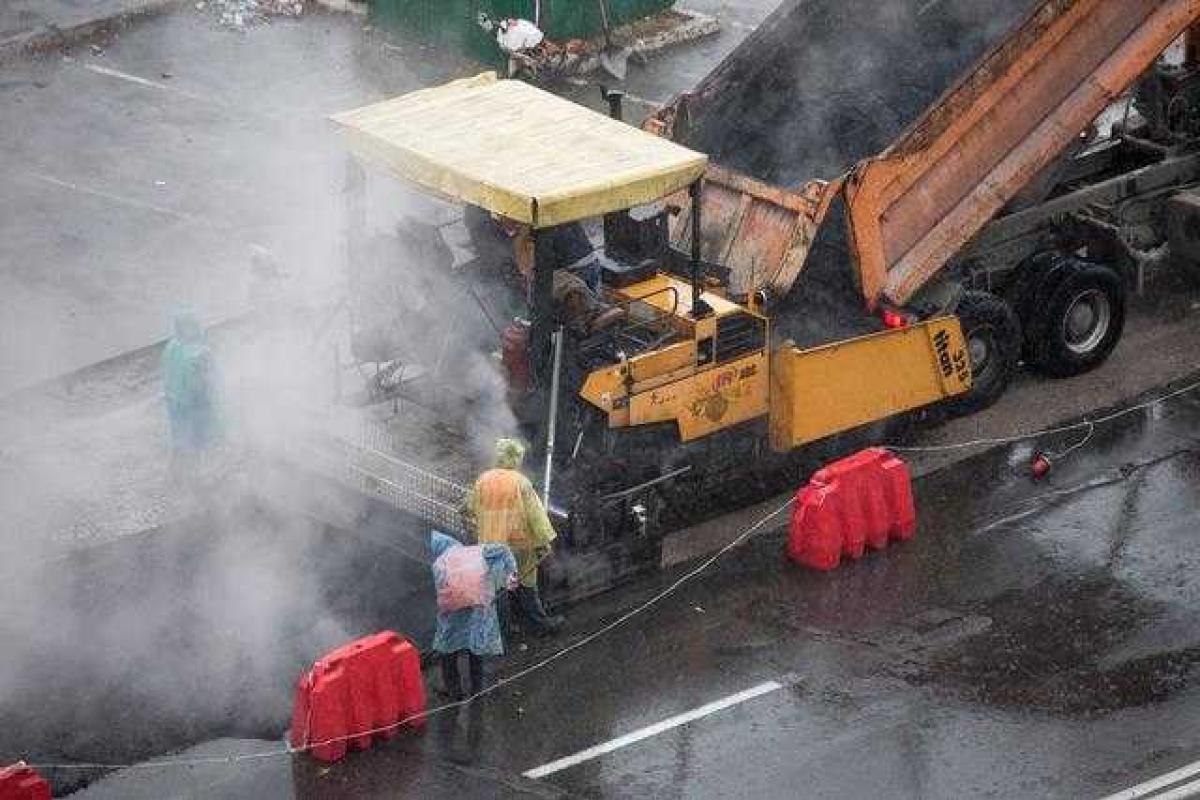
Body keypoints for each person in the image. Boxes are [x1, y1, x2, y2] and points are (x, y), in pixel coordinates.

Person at [462, 438, 565, 636]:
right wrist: (545, 542)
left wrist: (470, 522)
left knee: (499, 587)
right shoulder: (520, 482)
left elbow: (469, 507)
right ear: (514, 458)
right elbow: (536, 515)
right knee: (527, 584)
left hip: (491, 545)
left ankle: (503, 631)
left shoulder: (483, 480)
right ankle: (538, 624)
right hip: (519, 545)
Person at [429, 531, 517, 701]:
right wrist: (511, 573)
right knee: (475, 649)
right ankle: (478, 690)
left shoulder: (439, 564)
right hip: (477, 611)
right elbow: (503, 549)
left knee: (448, 652)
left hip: (453, 617)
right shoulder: (475, 553)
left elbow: (443, 598)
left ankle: (454, 691)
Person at [162, 311, 221, 457]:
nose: (198, 329)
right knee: (198, 437)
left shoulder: (172, 346)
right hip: (193, 400)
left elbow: (169, 375)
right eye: (194, 326)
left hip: (176, 400)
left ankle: (183, 457)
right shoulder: (200, 354)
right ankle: (197, 458)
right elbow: (208, 382)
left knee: (181, 436)